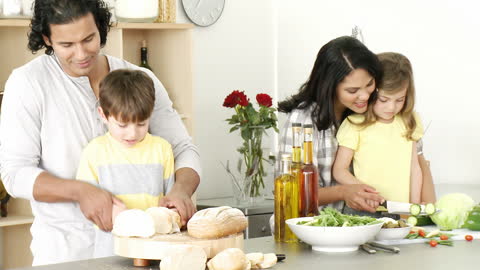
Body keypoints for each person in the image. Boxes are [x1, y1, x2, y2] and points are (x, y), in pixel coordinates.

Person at [0, 0, 200, 265]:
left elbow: (183, 149)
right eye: (66, 45)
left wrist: (182, 190)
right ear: (47, 39)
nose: (81, 54)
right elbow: (15, 174)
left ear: (101, 27)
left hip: (143, 252)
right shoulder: (28, 84)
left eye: (89, 38)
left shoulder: (139, 79)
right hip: (65, 255)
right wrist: (80, 191)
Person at [278, 36, 435, 214]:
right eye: (352, 91)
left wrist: (424, 211)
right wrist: (343, 192)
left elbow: (419, 165)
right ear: (330, 87)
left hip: (361, 226)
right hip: (310, 227)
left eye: (369, 85)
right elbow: (290, 193)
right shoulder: (302, 121)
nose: (364, 96)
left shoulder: (375, 111)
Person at [76, 69, 175, 258]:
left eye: (141, 124)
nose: (132, 134)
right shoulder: (94, 152)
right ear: (103, 115)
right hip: (110, 252)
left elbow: (170, 203)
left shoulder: (162, 149)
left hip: (154, 250)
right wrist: (113, 213)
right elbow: (86, 204)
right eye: (122, 125)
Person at [333, 53, 429, 217]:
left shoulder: (410, 121)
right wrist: (369, 194)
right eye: (384, 100)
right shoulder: (354, 124)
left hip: (400, 210)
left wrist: (413, 209)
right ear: (372, 92)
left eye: (400, 100)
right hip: (364, 210)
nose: (391, 107)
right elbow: (340, 171)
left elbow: (415, 168)